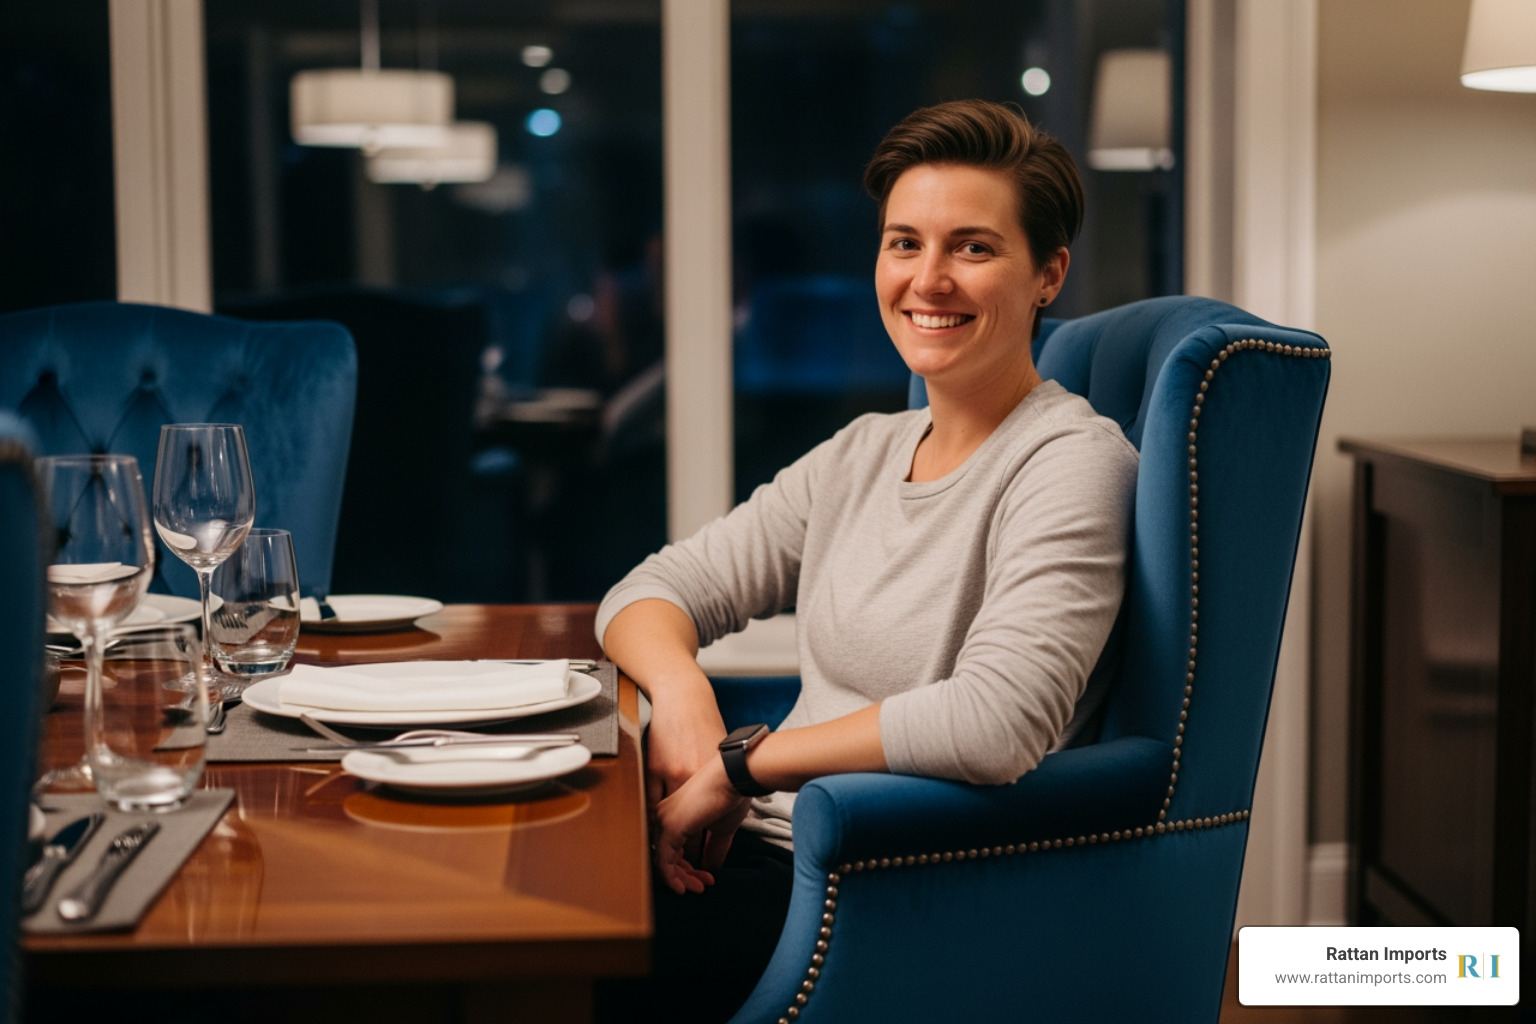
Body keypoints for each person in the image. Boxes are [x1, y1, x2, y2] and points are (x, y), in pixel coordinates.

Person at [592, 99, 1139, 1024]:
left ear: (1049, 274)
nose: (928, 280)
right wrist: (684, 694)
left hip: (887, 889)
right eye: (903, 243)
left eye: (972, 247)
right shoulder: (865, 450)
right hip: (771, 858)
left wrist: (741, 766)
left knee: (546, 962)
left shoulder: (1075, 463)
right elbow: (647, 592)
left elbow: (996, 724)